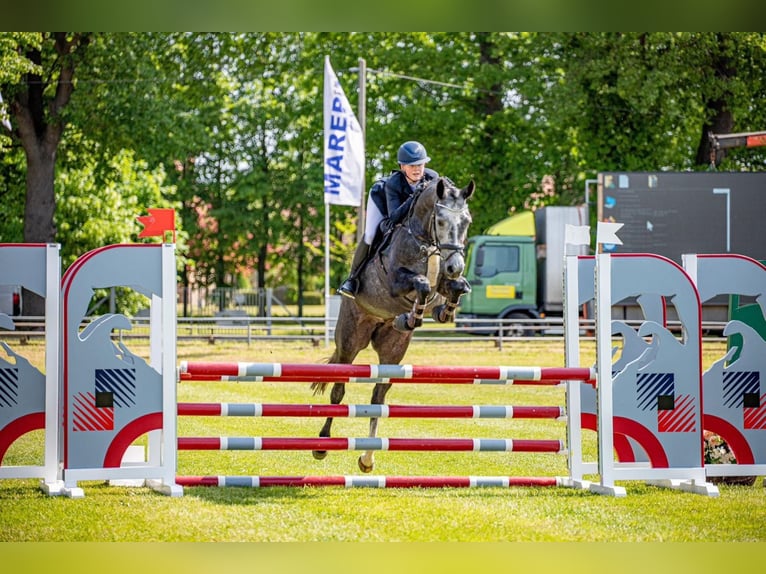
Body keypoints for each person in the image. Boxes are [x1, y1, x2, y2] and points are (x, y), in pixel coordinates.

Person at [337, 140, 439, 299]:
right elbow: (394, 217)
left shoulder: (433, 178)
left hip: (410, 215)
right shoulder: (393, 183)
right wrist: (415, 197)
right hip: (383, 204)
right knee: (370, 234)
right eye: (412, 166)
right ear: (402, 166)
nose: (417, 169)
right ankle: (352, 279)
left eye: (420, 164)